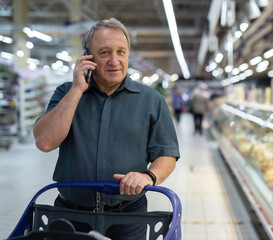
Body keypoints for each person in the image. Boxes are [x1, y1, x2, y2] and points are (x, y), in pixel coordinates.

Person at [33, 18, 180, 239]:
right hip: (70, 214)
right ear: (87, 57)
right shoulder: (67, 93)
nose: (115, 61)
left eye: (121, 52)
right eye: (104, 53)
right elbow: (45, 142)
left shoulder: (151, 100)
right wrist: (76, 90)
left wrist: (149, 176)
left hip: (129, 217)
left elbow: (167, 153)